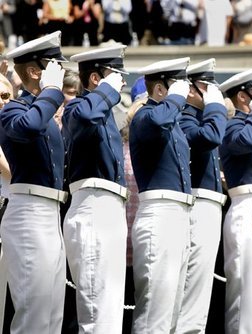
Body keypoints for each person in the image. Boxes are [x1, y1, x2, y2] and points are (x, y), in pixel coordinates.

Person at [0, 30, 68, 334]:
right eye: (54, 68)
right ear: (34, 72)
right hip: (27, 212)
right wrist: (50, 91)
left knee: (52, 317)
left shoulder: (38, 109)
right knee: (33, 317)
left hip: (50, 213)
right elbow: (29, 127)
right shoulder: (14, 110)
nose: (61, 75)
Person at [62, 43, 129, 334]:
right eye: (115, 75)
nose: (122, 82)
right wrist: (107, 89)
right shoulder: (79, 107)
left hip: (110, 207)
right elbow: (86, 116)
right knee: (95, 308)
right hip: (92, 205)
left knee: (110, 308)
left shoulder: (102, 111)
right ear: (95, 80)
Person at [129, 57, 193, 333]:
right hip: (159, 213)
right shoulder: (146, 116)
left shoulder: (171, 121)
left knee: (172, 309)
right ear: (160, 90)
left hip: (179, 213)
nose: (186, 92)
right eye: (179, 86)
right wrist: (175, 98)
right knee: (155, 309)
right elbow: (158, 121)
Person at [174, 58, 228, 333]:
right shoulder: (184, 118)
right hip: (197, 203)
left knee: (200, 287)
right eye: (206, 87)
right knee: (192, 287)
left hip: (207, 203)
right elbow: (211, 137)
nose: (212, 93)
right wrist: (216, 107)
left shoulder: (198, 117)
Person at [218, 66, 252, 334]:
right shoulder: (234, 127)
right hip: (245, 208)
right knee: (244, 296)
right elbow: (248, 141)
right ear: (243, 97)